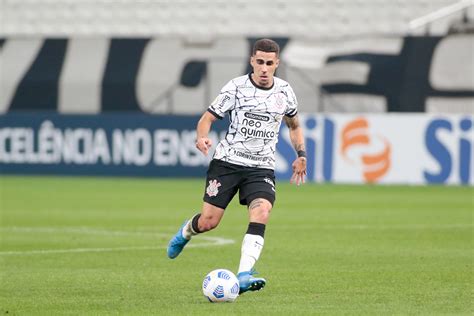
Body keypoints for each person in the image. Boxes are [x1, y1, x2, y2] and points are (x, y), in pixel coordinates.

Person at [167, 38, 307, 294]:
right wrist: (201, 137)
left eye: (269, 63)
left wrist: (301, 154)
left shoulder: (285, 92)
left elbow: (294, 125)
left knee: (262, 211)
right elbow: (207, 118)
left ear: (277, 64)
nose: (264, 69)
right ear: (252, 61)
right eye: (260, 62)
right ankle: (185, 232)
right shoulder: (236, 87)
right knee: (209, 222)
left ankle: (243, 274)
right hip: (227, 164)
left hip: (261, 167)